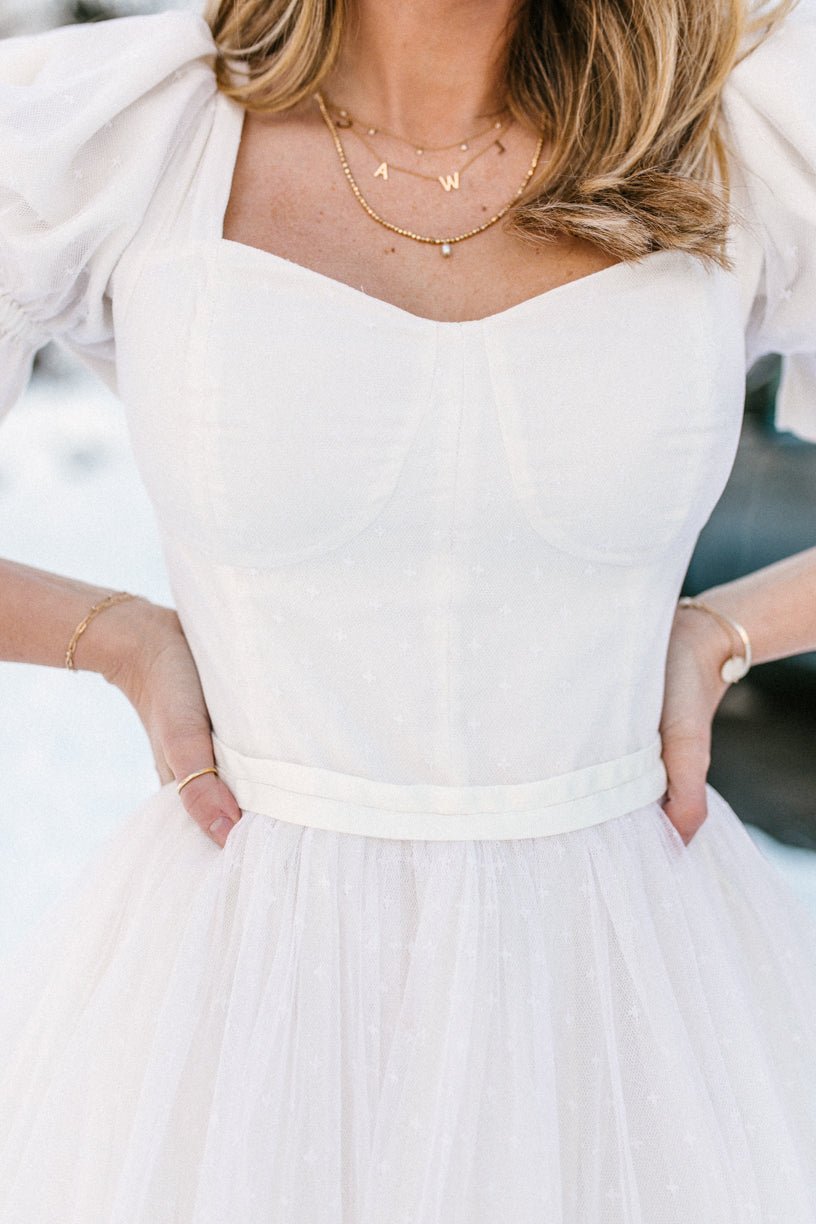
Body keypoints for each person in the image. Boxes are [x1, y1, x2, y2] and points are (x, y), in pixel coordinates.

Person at [0, 0, 815, 1218]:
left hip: (631, 1000)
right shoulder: (124, 132)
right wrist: (110, 632)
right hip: (237, 1010)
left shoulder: (740, 128)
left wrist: (730, 625)